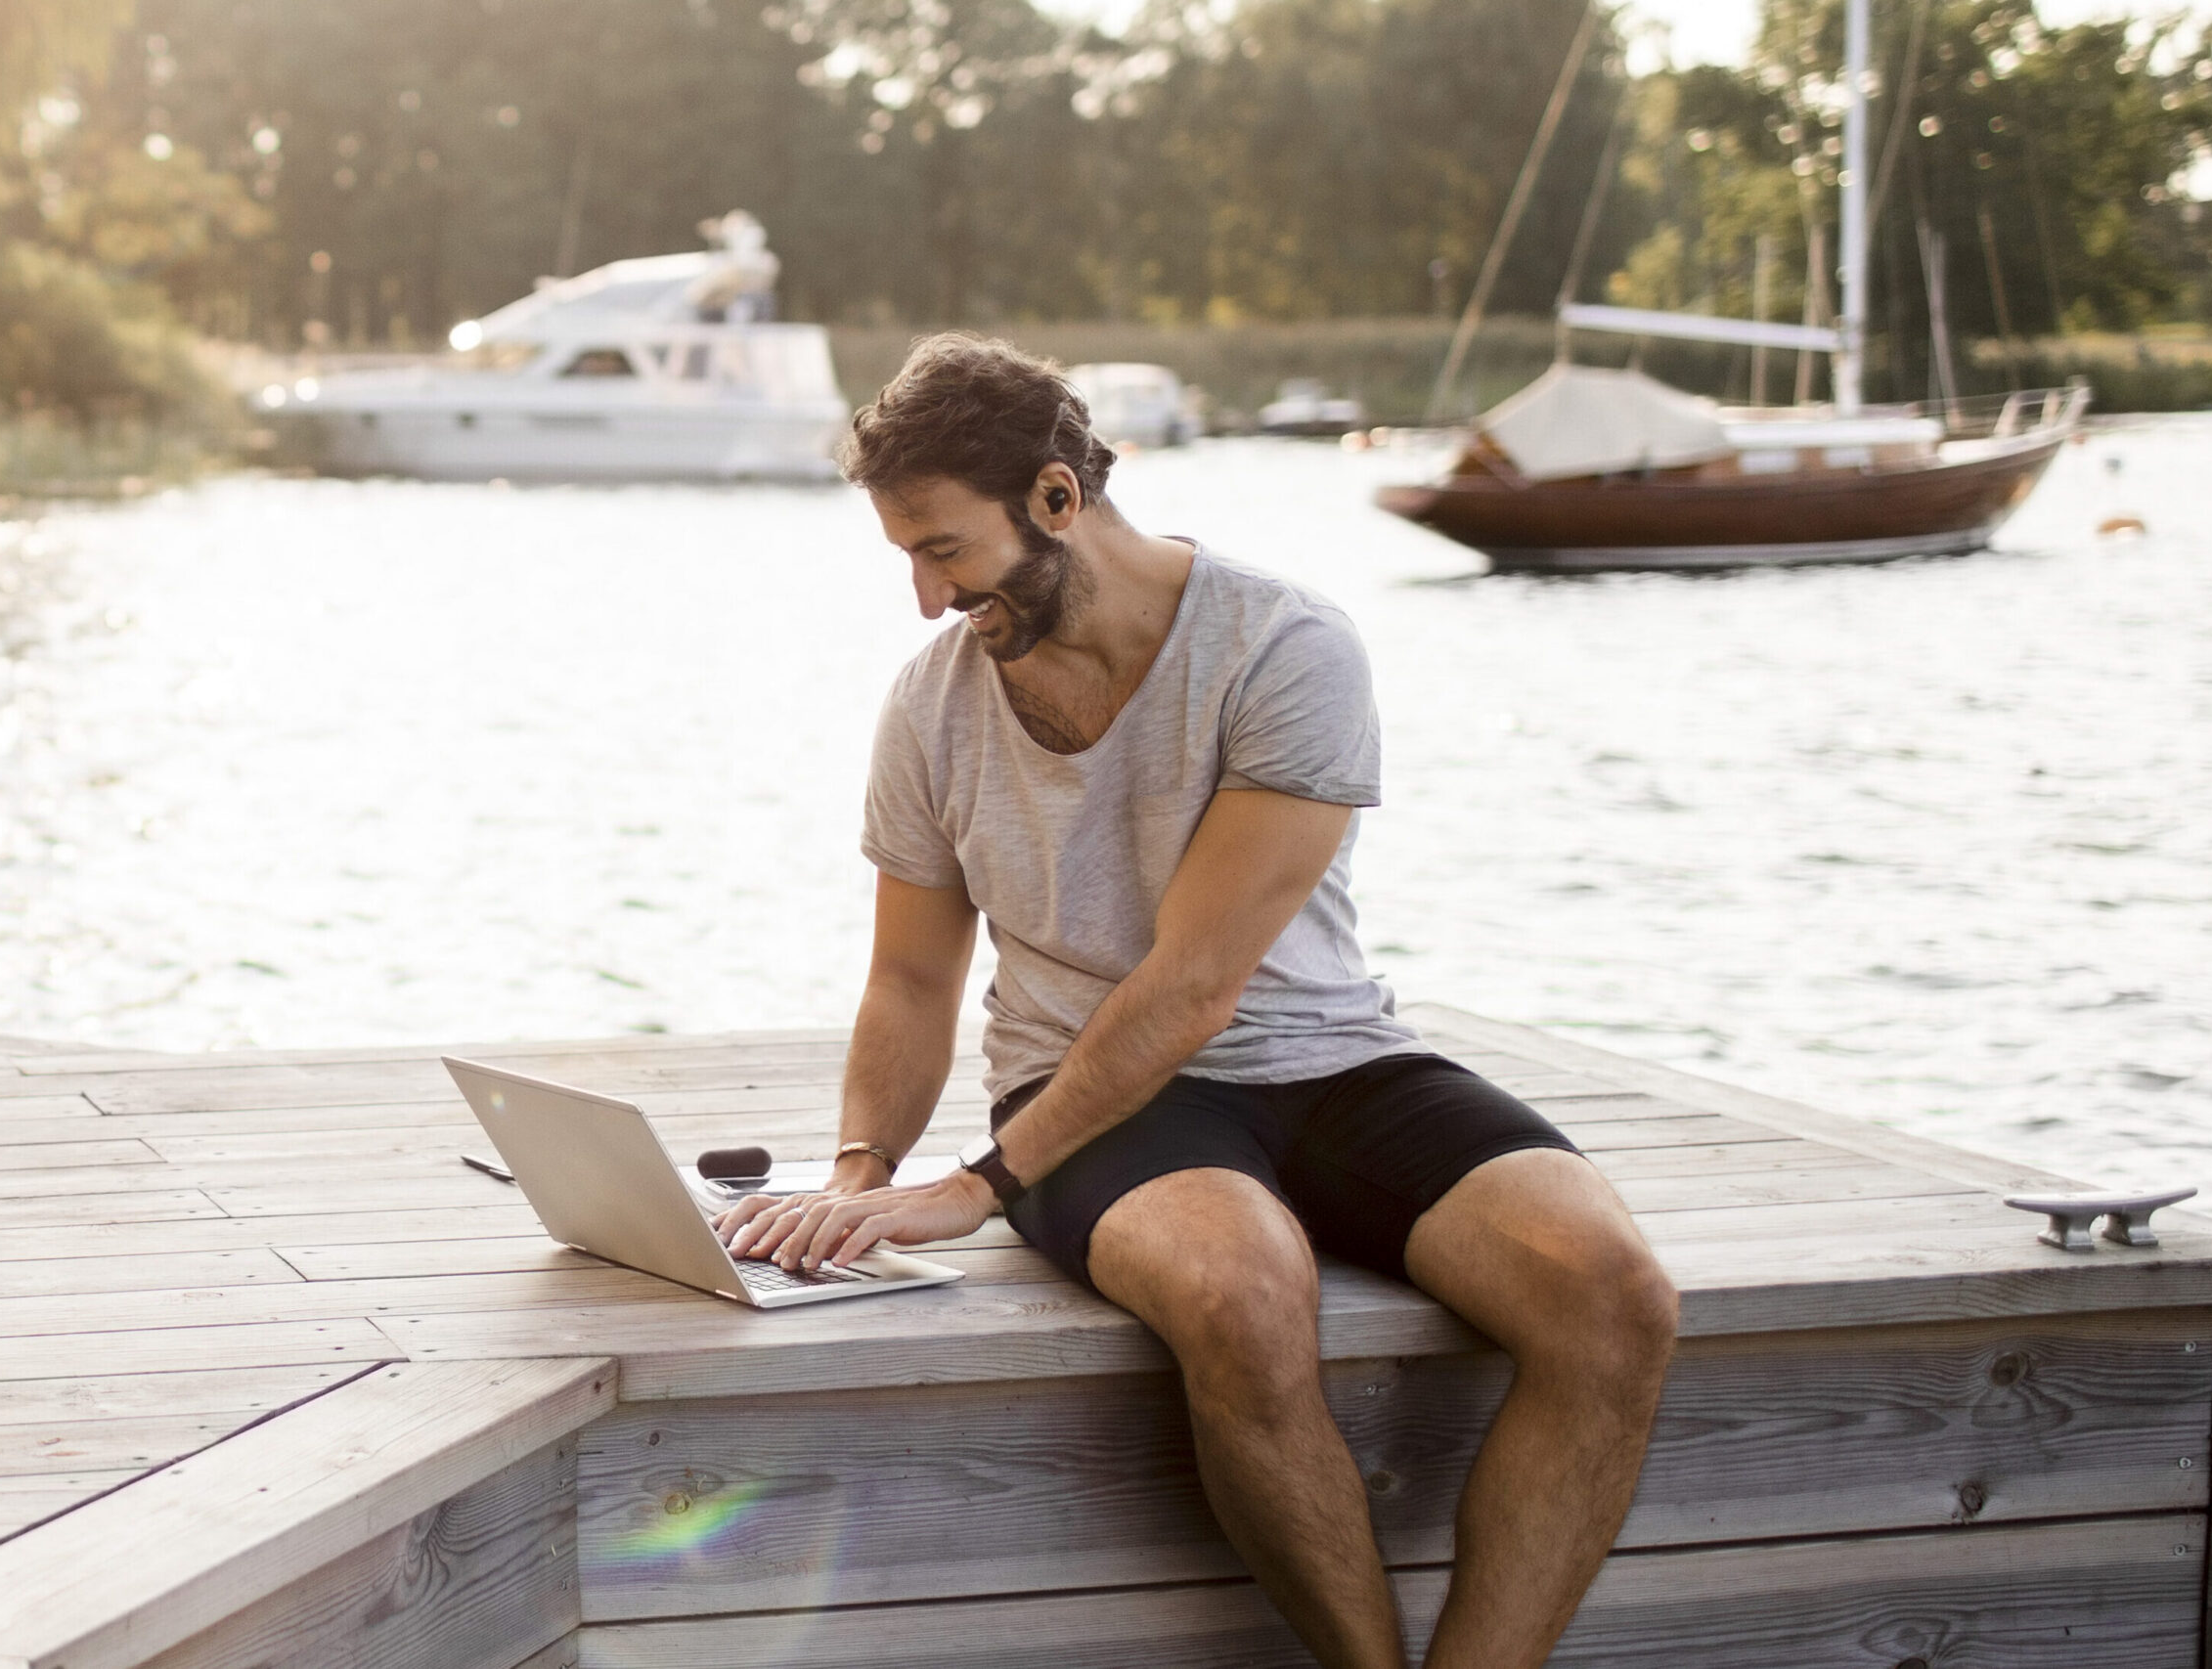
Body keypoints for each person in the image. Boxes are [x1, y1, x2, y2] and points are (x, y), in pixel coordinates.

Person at [713, 334, 1679, 1669]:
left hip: (1333, 1062)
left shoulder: (1285, 650)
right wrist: (861, 1175)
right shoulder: (931, 708)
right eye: (908, 559)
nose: (928, 599)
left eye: (943, 551)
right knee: (1240, 1290)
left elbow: (1195, 983)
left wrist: (975, 1188)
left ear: (1057, 498)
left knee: (1615, 1291)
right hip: (1086, 1095)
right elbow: (914, 975)